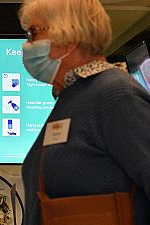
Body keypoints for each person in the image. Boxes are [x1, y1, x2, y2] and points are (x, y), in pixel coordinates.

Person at [18, 0, 150, 224]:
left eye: (33, 33)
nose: (26, 45)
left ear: (68, 36)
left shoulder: (115, 94)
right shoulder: (73, 97)